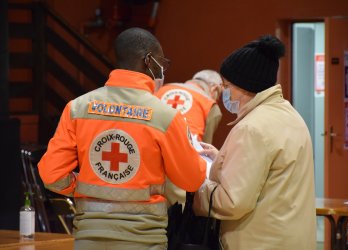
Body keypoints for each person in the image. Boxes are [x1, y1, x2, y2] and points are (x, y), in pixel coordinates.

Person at [38, 27, 206, 250]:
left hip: (89, 238)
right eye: (161, 62)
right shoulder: (165, 116)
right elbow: (191, 180)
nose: (162, 69)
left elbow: (51, 174)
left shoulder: (77, 108)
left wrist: (85, 187)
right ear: (148, 61)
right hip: (144, 239)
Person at [193, 35, 316, 249]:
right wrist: (222, 157)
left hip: (259, 241)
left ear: (246, 86)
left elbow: (233, 201)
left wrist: (195, 187)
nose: (225, 93)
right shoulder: (289, 114)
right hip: (288, 238)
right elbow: (267, 173)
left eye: (228, 85)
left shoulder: (252, 127)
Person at [155, 69, 222, 144]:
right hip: (181, 150)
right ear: (214, 89)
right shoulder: (210, 104)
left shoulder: (162, 89)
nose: (217, 99)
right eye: (218, 95)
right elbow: (206, 148)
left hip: (150, 142)